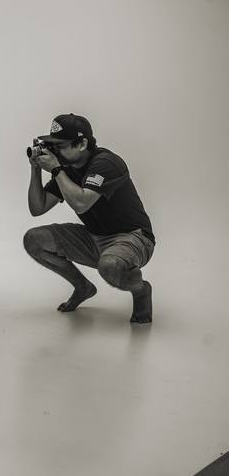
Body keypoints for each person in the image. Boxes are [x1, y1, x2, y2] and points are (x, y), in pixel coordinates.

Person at [23, 114, 156, 323]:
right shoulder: (65, 170)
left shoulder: (106, 163)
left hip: (132, 238)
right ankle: (83, 287)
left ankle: (140, 289)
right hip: (94, 237)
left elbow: (81, 203)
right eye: (52, 146)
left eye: (60, 146)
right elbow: (37, 208)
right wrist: (35, 169)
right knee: (34, 239)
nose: (55, 151)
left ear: (82, 144)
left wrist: (56, 169)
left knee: (110, 265)